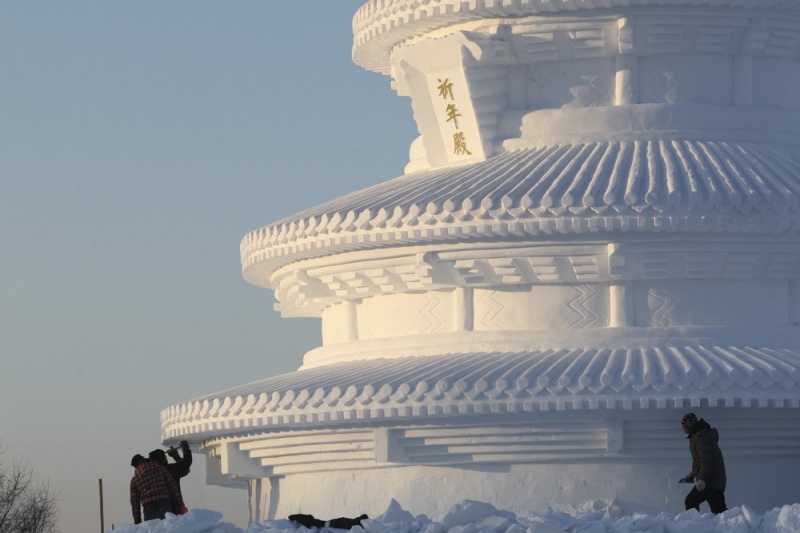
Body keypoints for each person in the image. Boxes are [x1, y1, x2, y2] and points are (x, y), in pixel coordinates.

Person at [678, 412, 728, 514]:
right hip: (715, 480)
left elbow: (706, 461)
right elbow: (699, 463)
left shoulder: (701, 438)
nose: (682, 428)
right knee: (719, 511)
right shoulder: (699, 436)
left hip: (711, 481)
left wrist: (701, 480)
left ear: (689, 426)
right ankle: (733, 526)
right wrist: (690, 476)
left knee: (691, 501)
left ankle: (695, 526)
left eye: (683, 425)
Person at [130, 456, 186, 524]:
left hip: (149, 510)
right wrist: (180, 505)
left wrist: (137, 520)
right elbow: (173, 487)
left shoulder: (135, 480)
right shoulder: (161, 469)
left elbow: (135, 502)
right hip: (165, 505)